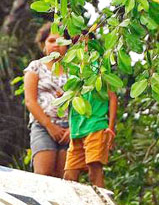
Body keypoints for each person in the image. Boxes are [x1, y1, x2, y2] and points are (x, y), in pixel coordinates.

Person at [63, 34, 117, 188]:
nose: (83, 47)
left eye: (86, 43)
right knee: (69, 176)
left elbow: (112, 97)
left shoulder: (101, 67)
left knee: (94, 172)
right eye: (77, 44)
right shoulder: (73, 70)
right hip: (77, 131)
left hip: (95, 125)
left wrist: (111, 128)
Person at [24, 23, 70, 177]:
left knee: (66, 179)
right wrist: (50, 126)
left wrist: (72, 129)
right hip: (43, 126)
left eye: (60, 41)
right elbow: (30, 101)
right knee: (43, 175)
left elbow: (82, 101)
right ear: (43, 45)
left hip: (69, 128)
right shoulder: (36, 67)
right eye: (51, 41)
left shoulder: (75, 70)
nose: (56, 45)